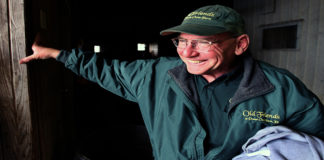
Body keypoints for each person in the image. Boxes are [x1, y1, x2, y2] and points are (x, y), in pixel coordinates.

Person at [20, 4, 324, 160]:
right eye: (181, 41)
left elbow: (316, 141)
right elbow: (106, 70)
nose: (187, 53)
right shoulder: (157, 76)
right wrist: (56, 54)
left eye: (204, 42)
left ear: (240, 44)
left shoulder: (279, 88)